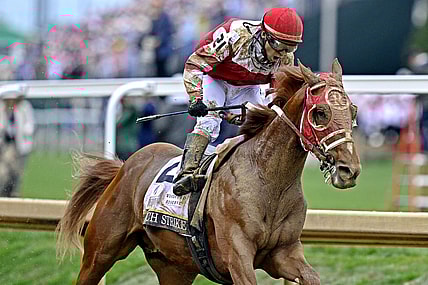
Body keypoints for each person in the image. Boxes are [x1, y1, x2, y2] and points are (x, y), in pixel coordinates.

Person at [173, 8, 304, 196]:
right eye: (279, 45)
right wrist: (196, 98)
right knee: (209, 124)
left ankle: (259, 176)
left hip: (249, 87)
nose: (282, 53)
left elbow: (277, 96)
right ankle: (186, 173)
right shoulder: (235, 34)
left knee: (264, 125)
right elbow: (195, 63)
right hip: (215, 80)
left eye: (290, 48)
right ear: (265, 35)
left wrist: (259, 114)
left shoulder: (285, 59)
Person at [0, 84, 35, 197]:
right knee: (4, 172)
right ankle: (4, 194)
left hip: (19, 147)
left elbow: (29, 127)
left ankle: (13, 194)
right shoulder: (2, 110)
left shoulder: (24, 108)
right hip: (5, 147)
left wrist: (20, 131)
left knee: (17, 173)